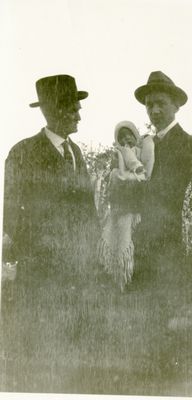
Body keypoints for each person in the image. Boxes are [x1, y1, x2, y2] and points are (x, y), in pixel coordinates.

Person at [1, 74, 99, 390]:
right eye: (73, 109)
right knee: (41, 355)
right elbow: (13, 217)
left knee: (73, 351)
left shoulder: (77, 154)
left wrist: (93, 252)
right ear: (54, 111)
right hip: (42, 277)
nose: (79, 115)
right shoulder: (22, 153)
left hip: (77, 274)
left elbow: (88, 212)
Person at [133, 70, 192, 266]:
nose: (154, 111)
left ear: (176, 106)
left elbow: (169, 195)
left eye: (161, 104)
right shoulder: (143, 144)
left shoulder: (189, 145)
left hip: (171, 248)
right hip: (142, 245)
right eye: (149, 105)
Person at [98, 121, 154, 291]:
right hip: (121, 204)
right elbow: (117, 176)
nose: (125, 138)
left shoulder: (143, 149)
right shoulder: (119, 153)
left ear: (135, 135)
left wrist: (133, 171)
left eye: (128, 134)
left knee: (132, 243)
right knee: (117, 239)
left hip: (136, 205)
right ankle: (118, 279)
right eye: (121, 137)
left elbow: (146, 173)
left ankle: (129, 279)